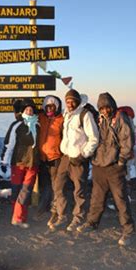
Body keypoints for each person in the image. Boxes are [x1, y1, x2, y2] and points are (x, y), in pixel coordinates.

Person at [77, 92, 135, 246]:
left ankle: (128, 231)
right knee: (97, 198)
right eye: (101, 108)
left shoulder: (120, 118)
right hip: (99, 166)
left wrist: (121, 161)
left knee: (121, 200)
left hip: (115, 167)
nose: (104, 110)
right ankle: (92, 223)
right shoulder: (99, 119)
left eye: (107, 107)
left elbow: (127, 140)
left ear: (112, 106)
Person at [48, 89, 99, 232]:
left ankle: (78, 218)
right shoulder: (67, 114)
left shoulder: (85, 115)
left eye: (72, 101)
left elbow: (94, 138)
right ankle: (62, 215)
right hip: (66, 157)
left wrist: (83, 155)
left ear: (77, 102)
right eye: (67, 101)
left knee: (79, 191)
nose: (70, 104)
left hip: (79, 159)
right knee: (58, 187)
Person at [1, 99, 40, 228]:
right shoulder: (16, 125)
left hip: (33, 163)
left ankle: (17, 218)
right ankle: (19, 215)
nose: (29, 111)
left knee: (26, 191)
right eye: (26, 109)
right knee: (16, 190)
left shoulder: (38, 125)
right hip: (18, 163)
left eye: (31, 109)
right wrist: (4, 160)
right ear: (23, 111)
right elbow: (9, 143)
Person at [35, 95, 64, 221]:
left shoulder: (61, 119)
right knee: (44, 183)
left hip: (55, 157)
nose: (49, 109)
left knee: (55, 184)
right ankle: (46, 207)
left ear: (57, 107)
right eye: (47, 106)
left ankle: (54, 208)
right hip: (42, 158)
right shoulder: (41, 117)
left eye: (52, 106)